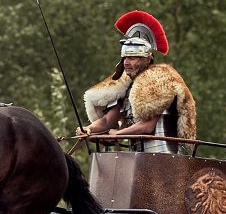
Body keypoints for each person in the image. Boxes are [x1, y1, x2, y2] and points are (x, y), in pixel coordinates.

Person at [79, 10, 196, 152]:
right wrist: (88, 129)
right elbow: (107, 121)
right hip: (138, 158)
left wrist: (118, 134)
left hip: (165, 157)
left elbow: (147, 126)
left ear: (147, 60)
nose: (126, 62)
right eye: (125, 58)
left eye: (133, 57)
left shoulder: (159, 82)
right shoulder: (127, 88)